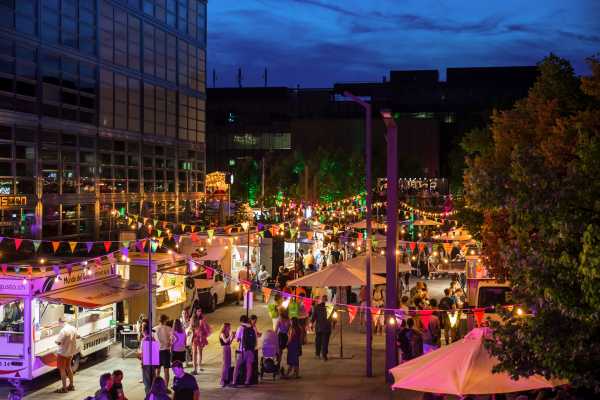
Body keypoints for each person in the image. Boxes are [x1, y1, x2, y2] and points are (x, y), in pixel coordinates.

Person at [54, 317, 79, 393]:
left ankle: (64, 388)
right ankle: (71, 385)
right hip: (70, 352)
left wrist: (56, 341)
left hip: (62, 353)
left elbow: (58, 342)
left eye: (59, 323)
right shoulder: (73, 328)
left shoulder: (63, 331)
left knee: (62, 370)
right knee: (69, 368)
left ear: (61, 322)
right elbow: (78, 336)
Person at [233, 315, 256, 386]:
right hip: (251, 350)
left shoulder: (240, 328)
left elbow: (237, 339)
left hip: (242, 350)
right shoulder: (252, 328)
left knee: (237, 366)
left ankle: (234, 382)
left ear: (241, 321)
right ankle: (247, 381)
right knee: (249, 366)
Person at [139, 321, 159, 395]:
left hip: (146, 364)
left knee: (147, 383)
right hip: (152, 364)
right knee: (152, 381)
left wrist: (141, 362)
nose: (141, 330)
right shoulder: (153, 339)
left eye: (142, 329)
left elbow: (142, 353)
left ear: (144, 330)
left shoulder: (144, 340)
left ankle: (149, 396)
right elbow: (155, 353)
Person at [311, 295, 332, 361]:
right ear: (327, 300)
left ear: (322, 300)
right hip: (326, 327)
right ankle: (323, 355)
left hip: (319, 327)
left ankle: (318, 354)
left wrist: (311, 323)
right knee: (324, 342)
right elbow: (333, 317)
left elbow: (313, 317)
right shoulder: (330, 307)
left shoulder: (317, 307)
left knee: (319, 341)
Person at [191, 308, 210, 375]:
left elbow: (206, 328)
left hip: (201, 337)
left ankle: (199, 366)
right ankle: (194, 368)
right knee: (194, 353)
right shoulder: (193, 319)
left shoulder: (202, 319)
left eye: (200, 311)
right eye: (198, 311)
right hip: (195, 337)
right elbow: (191, 328)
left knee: (200, 351)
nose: (200, 312)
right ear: (195, 312)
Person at [156, 315, 172, 388]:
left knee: (157, 371)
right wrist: (169, 343)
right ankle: (165, 387)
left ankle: (156, 386)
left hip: (157, 351)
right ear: (165, 320)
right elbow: (174, 338)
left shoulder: (155, 329)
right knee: (166, 371)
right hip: (165, 351)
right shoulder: (169, 328)